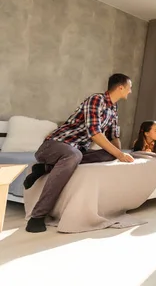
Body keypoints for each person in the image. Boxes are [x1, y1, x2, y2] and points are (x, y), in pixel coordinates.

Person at [23, 73, 135, 233]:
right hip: (55, 145)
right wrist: (120, 154)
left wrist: (120, 154)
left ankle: (45, 169)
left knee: (107, 154)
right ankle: (37, 216)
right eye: (129, 87)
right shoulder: (97, 100)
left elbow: (114, 136)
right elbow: (95, 133)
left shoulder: (113, 108)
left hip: (77, 150)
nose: (130, 91)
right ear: (120, 87)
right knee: (73, 155)